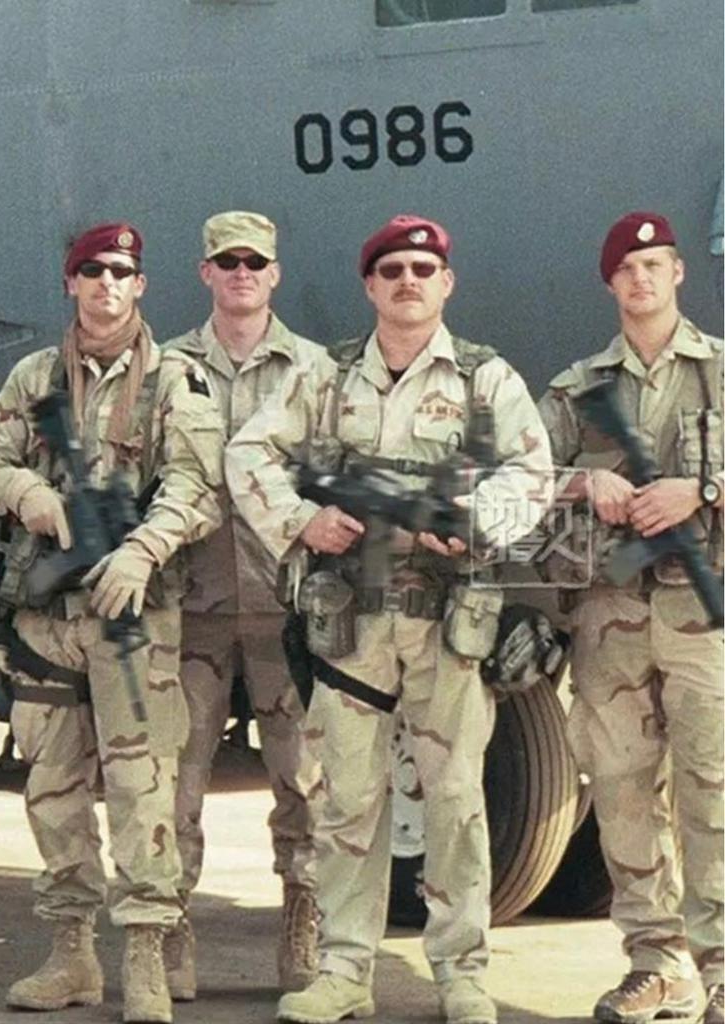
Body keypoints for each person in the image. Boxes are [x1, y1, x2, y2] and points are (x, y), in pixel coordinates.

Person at [225, 214, 552, 1024]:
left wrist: (474, 520)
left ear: (447, 284)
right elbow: (248, 452)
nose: (409, 281)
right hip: (353, 622)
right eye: (393, 270)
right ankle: (344, 970)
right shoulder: (326, 378)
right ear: (370, 286)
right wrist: (302, 520)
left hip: (446, 620)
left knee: (455, 799)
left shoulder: (483, 379)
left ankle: (461, 974)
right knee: (348, 800)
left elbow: (532, 471)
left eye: (423, 269)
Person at [0, 222, 223, 1024]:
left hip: (131, 617)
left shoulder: (176, 380)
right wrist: (30, 495)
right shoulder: (35, 378)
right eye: (91, 271)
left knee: (141, 786)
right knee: (53, 785)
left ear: (140, 285)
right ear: (70, 284)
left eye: (120, 271)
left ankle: (145, 952)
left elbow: (196, 486)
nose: (106, 283)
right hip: (48, 616)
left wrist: (143, 552)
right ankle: (72, 953)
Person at [538, 211, 723, 1024]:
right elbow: (510, 475)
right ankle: (657, 962)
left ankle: (721, 966)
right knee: (619, 792)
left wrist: (703, 490)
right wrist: (585, 483)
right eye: (626, 268)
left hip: (702, 617)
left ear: (678, 273)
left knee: (712, 790)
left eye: (654, 264)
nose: (640, 278)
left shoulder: (720, 371)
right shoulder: (578, 388)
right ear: (610, 283)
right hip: (608, 618)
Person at [161, 211, 329, 998]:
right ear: (205, 272)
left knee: (304, 778)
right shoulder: (166, 369)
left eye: (254, 262)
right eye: (226, 261)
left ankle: (304, 919)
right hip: (191, 606)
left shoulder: (313, 370)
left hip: (282, 609)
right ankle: (170, 928)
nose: (240, 273)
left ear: (274, 274)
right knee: (176, 777)